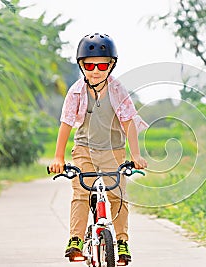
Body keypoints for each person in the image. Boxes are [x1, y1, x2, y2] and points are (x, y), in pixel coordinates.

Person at [48, 33, 148, 264]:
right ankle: (76, 240)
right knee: (81, 194)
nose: (96, 70)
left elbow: (128, 121)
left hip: (114, 151)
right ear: (82, 65)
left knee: (118, 196)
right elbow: (66, 123)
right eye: (90, 65)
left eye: (102, 65)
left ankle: (122, 242)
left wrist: (136, 156)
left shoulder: (118, 90)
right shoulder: (76, 91)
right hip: (84, 150)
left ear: (111, 65)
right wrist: (58, 158)